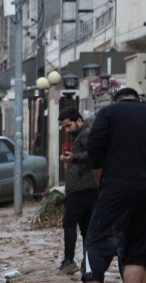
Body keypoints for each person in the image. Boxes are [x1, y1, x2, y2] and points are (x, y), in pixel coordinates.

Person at [56, 88, 146, 283]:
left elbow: (95, 145)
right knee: (137, 249)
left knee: (95, 238)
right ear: (139, 99)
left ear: (117, 100)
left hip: (115, 187)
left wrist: (99, 176)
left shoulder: (109, 113)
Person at [57, 108, 98, 274]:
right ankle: (88, 264)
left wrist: (74, 158)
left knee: (69, 221)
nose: (67, 130)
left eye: (69, 126)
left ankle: (69, 261)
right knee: (86, 228)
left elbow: (94, 154)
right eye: (65, 127)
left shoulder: (86, 134)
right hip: (85, 187)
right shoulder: (79, 136)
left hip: (83, 188)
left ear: (79, 121)